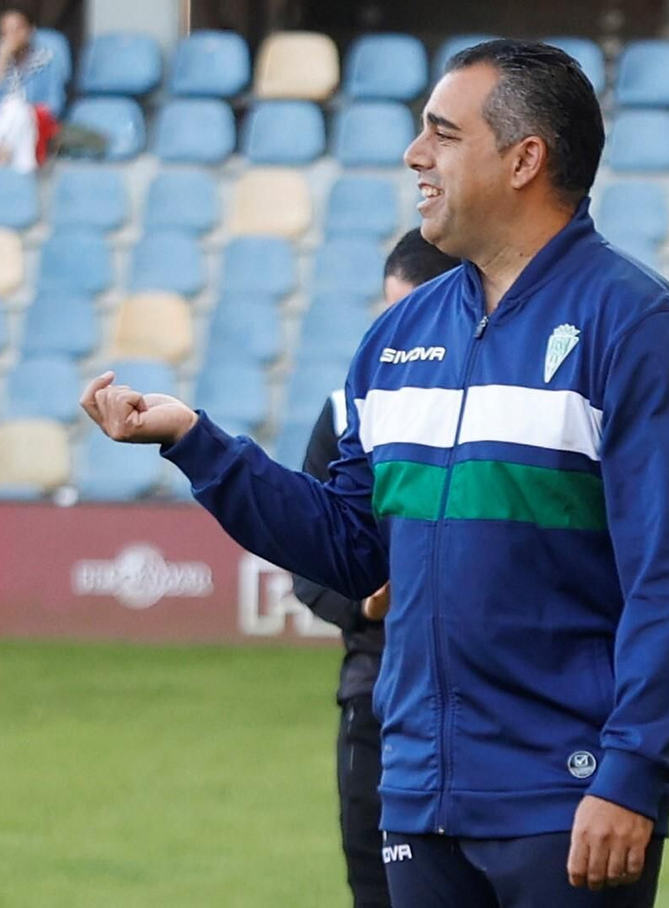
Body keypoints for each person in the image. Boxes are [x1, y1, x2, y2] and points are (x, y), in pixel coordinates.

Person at [83, 39, 669, 908]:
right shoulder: (395, 340)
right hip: (417, 792)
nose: (415, 156)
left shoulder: (638, 326)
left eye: (442, 134)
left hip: (566, 794)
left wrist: (631, 772)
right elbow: (349, 547)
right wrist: (197, 441)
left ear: (525, 159)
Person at [292, 228, 459, 908]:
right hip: (377, 684)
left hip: (488, 689)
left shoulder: (518, 409)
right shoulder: (345, 411)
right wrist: (365, 605)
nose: (398, 332)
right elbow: (310, 558)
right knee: (376, 888)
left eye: (413, 312)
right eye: (388, 313)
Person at [0, 9, 67, 173]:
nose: (12, 36)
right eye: (6, 32)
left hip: (34, 122)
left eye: (17, 29)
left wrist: (30, 113)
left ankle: (5, 157)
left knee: (19, 111)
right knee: (12, 110)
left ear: (30, 30)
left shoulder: (46, 60)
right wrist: (1, 63)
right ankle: (22, 173)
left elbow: (55, 103)